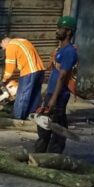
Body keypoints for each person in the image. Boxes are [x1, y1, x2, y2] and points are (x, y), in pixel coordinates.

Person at [35, 15, 78, 153]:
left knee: (56, 127)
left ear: (68, 32)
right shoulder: (60, 50)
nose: (57, 31)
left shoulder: (70, 51)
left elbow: (62, 77)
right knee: (45, 124)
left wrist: (53, 98)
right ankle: (41, 153)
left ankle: (53, 156)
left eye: (60, 28)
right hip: (52, 92)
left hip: (59, 95)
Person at [0, 35, 46, 120]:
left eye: (1, 47)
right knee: (34, 95)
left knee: (22, 96)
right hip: (40, 70)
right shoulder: (22, 41)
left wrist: (4, 80)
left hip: (29, 72)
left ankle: (18, 118)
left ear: (3, 41)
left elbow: (10, 67)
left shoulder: (10, 46)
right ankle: (30, 116)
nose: (3, 49)